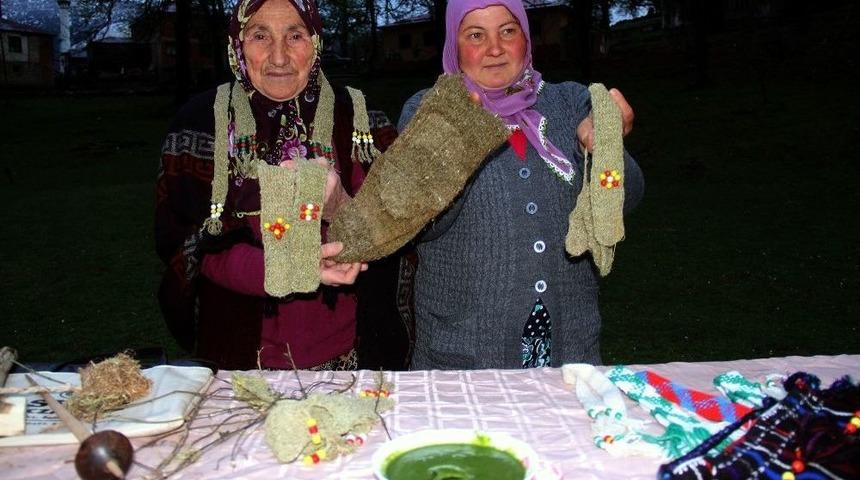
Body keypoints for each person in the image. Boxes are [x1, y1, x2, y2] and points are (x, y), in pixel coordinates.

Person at [397, 0, 644, 370]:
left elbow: (628, 199)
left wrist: (597, 148)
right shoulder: (428, 112)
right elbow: (420, 225)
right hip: (464, 359)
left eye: (508, 31)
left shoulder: (572, 102)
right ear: (454, 45)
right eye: (476, 35)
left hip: (568, 352)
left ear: (526, 39)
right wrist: (458, 147)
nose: (495, 49)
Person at [155, 0, 397, 370]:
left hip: (353, 357)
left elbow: (397, 230)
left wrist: (339, 206)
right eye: (260, 36)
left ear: (315, 40)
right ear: (238, 42)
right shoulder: (202, 123)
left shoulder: (360, 117)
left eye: (295, 35)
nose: (279, 57)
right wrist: (286, 268)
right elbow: (192, 244)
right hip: (239, 360)